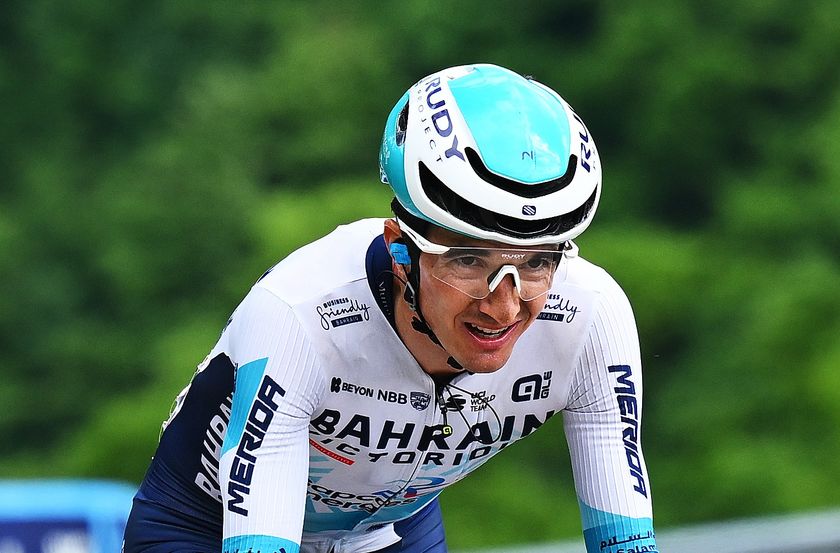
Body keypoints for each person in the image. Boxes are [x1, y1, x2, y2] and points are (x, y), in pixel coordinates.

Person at [123, 63, 657, 553]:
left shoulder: (592, 318)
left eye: (538, 263)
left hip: (389, 529)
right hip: (204, 527)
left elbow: (625, 541)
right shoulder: (300, 315)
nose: (503, 304)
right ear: (400, 251)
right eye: (469, 260)